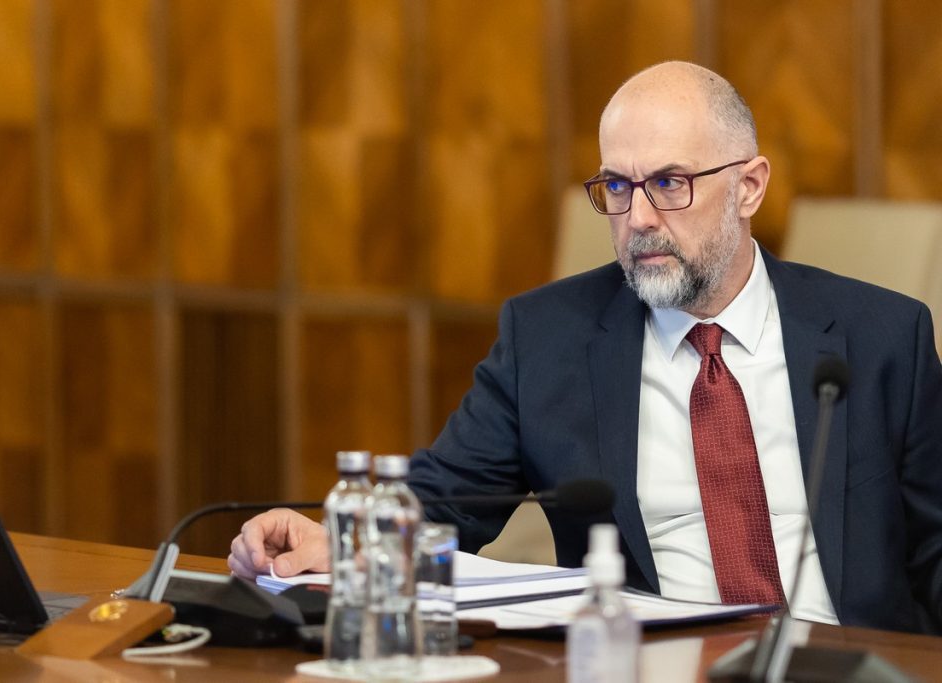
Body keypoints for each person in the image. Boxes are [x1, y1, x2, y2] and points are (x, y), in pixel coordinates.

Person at [229, 61, 942, 634]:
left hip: (848, 662)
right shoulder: (549, 339)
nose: (639, 218)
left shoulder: (882, 336)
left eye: (669, 183)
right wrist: (341, 542)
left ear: (749, 187)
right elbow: (446, 497)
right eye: (618, 187)